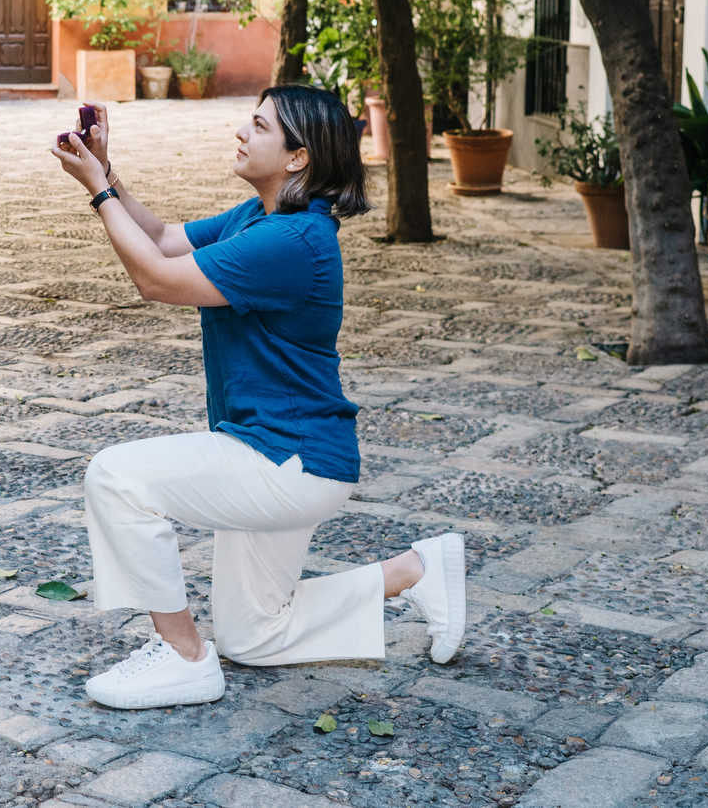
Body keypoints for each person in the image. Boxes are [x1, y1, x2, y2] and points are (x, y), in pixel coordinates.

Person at [49, 85, 466, 710]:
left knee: (115, 478)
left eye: (259, 126)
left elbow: (156, 281)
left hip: (287, 461)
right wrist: (105, 172)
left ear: (297, 158)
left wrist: (99, 194)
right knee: (253, 635)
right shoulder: (260, 218)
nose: (243, 133)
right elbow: (162, 240)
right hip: (275, 452)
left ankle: (184, 657)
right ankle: (412, 572)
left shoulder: (294, 243)